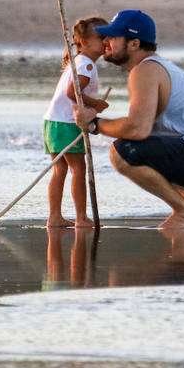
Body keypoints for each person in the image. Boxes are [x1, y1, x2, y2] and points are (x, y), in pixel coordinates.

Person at [73, 10, 184, 229]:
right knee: (145, 149)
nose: (105, 41)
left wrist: (94, 124)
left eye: (113, 37)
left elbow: (137, 129)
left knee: (122, 152)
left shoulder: (146, 70)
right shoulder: (152, 68)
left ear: (134, 44)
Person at [43, 16, 111, 227]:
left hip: (52, 121)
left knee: (60, 170)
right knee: (78, 170)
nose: (106, 41)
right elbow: (73, 92)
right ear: (85, 42)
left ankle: (54, 217)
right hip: (66, 124)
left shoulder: (79, 61)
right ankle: (81, 218)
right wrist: (95, 104)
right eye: (101, 37)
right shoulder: (87, 66)